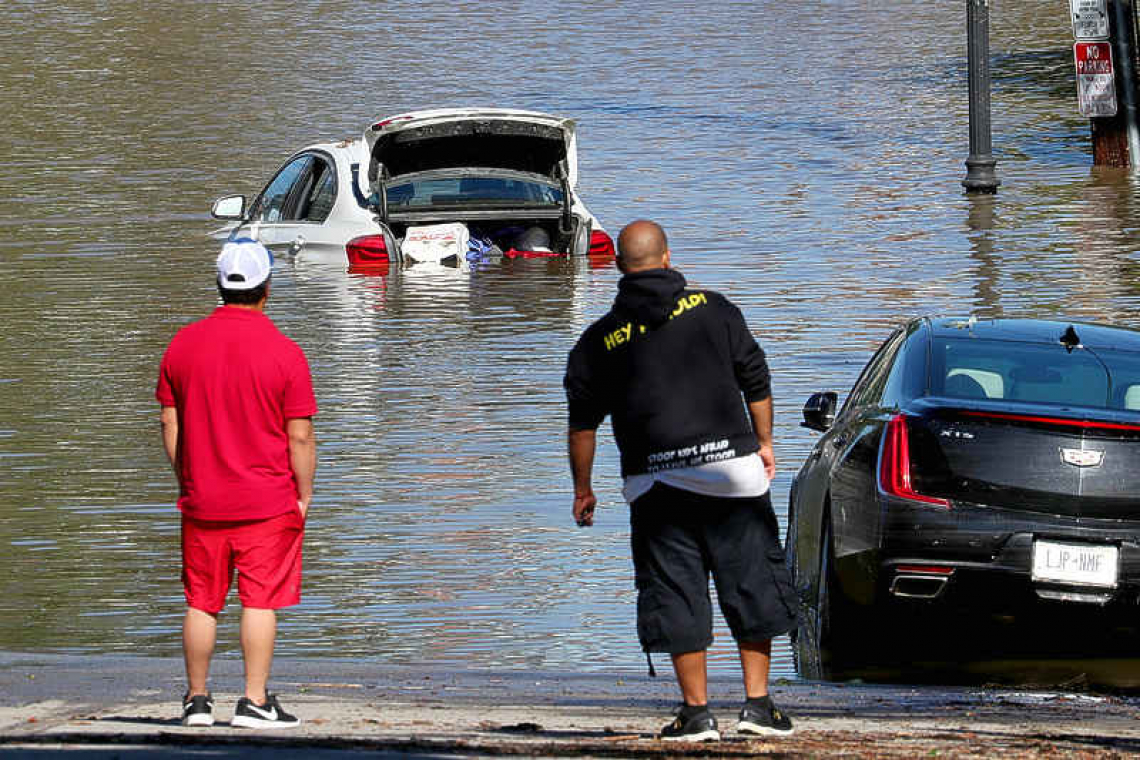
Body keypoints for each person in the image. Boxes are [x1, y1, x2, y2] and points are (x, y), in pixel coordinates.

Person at [564, 220, 797, 742]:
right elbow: (755, 380)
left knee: (676, 593)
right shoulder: (714, 309)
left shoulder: (599, 339)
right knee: (752, 584)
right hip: (733, 477)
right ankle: (758, 706)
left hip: (656, 487)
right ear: (668, 257)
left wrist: (583, 488)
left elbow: (582, 425)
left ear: (621, 266)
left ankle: (696, 715)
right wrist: (765, 442)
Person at [156, 238, 317, 729]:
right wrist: (303, 493)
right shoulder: (286, 353)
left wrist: (187, 474)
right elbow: (301, 436)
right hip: (267, 501)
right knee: (259, 600)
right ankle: (254, 701)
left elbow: (170, 423)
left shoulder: (182, 344)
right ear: (268, 288)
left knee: (201, 601)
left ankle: (197, 701)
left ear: (220, 286)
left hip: (202, 497)